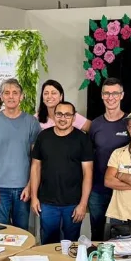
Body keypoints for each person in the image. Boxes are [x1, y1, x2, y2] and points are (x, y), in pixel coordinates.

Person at [0, 78, 41, 230]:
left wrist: (30, 186)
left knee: (22, 233)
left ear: (21, 96)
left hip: (23, 188)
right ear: (1, 97)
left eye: (15, 93)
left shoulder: (32, 122)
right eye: (6, 93)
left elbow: (36, 158)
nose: (11, 96)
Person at [31, 102, 94, 243]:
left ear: (73, 117)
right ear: (54, 116)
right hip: (47, 202)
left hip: (73, 203)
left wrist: (83, 204)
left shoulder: (82, 139)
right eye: (59, 114)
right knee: (47, 243)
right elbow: (35, 167)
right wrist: (34, 197)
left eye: (67, 115)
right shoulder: (43, 137)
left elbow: (88, 173)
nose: (63, 118)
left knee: (71, 244)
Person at [88, 77, 130, 241]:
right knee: (97, 234)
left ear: (122, 95)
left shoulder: (130, 123)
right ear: (102, 95)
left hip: (123, 189)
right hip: (98, 190)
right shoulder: (95, 124)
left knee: (121, 237)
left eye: (115, 93)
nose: (110, 97)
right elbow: (89, 157)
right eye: (107, 93)